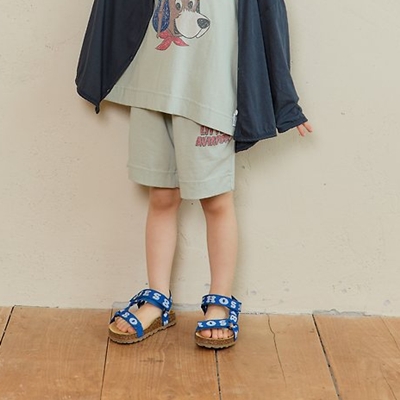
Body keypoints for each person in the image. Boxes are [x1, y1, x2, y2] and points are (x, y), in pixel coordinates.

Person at [76, 0, 313, 349]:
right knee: (161, 197)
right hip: (151, 89)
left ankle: (220, 301)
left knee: (216, 200)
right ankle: (157, 298)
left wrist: (285, 103)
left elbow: (269, 18)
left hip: (210, 98)